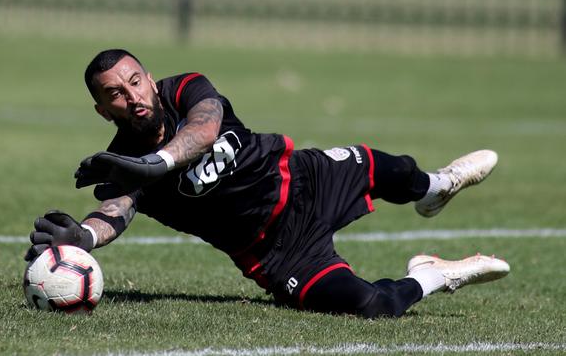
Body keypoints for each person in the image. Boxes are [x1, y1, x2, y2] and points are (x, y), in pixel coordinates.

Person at [25, 49, 509, 318]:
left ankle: (436, 187)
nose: (131, 97)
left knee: (396, 170)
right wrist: (82, 239)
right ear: (101, 109)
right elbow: (114, 213)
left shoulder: (186, 88)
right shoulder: (121, 164)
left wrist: (155, 164)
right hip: (276, 253)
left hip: (302, 180)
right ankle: (434, 274)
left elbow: (205, 128)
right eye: (115, 93)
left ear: (150, 79)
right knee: (373, 306)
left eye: (134, 81)